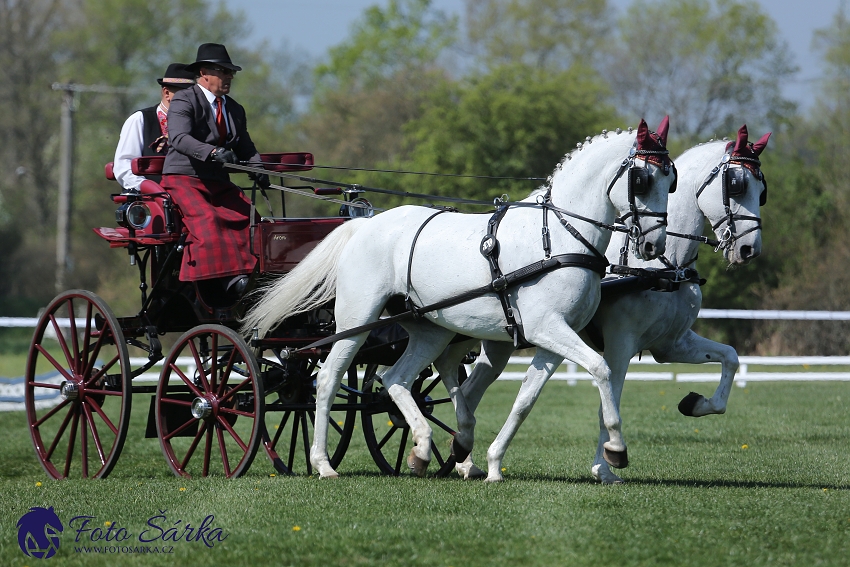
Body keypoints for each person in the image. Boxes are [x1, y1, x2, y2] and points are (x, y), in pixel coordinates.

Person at [161, 43, 270, 299]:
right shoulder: (184, 100)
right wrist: (211, 152)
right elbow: (178, 137)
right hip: (184, 178)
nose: (230, 76)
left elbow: (246, 146)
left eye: (231, 72)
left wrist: (258, 167)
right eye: (224, 71)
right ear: (204, 73)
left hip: (218, 181)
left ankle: (255, 276)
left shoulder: (234, 109)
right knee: (209, 221)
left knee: (252, 219)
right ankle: (228, 283)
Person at [113, 63, 196, 192]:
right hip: (150, 199)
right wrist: (149, 188)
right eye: (185, 95)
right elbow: (124, 167)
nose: (191, 101)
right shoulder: (140, 120)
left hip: (191, 191)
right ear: (167, 93)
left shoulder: (199, 124)